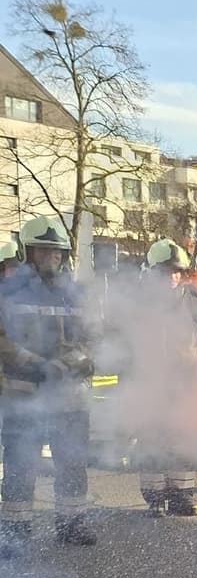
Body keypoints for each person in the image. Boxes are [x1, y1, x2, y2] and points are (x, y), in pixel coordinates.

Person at [0, 216, 96, 556]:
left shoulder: (74, 294)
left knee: (72, 460)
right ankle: (14, 530)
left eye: (57, 253)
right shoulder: (8, 291)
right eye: (44, 252)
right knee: (20, 463)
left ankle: (72, 524)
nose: (51, 258)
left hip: (69, 396)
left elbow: (89, 337)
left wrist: (79, 360)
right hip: (22, 394)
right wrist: (36, 363)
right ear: (28, 253)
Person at [134, 238, 197, 516]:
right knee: (153, 441)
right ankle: (155, 500)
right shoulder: (139, 306)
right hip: (150, 387)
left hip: (184, 387)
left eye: (177, 272)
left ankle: (182, 498)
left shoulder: (195, 307)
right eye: (166, 271)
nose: (173, 277)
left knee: (183, 440)